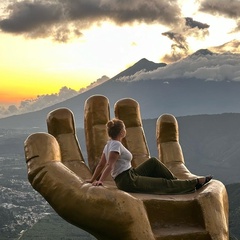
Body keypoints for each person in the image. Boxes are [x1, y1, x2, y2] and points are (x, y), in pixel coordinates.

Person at [86, 118, 212, 194]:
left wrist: (92, 179)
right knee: (162, 183)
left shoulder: (110, 144)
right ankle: (194, 183)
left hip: (131, 174)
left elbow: (101, 164)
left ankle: (176, 183)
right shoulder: (115, 146)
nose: (125, 130)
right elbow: (108, 165)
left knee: (153, 162)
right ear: (121, 132)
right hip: (128, 181)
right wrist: (100, 181)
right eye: (124, 128)